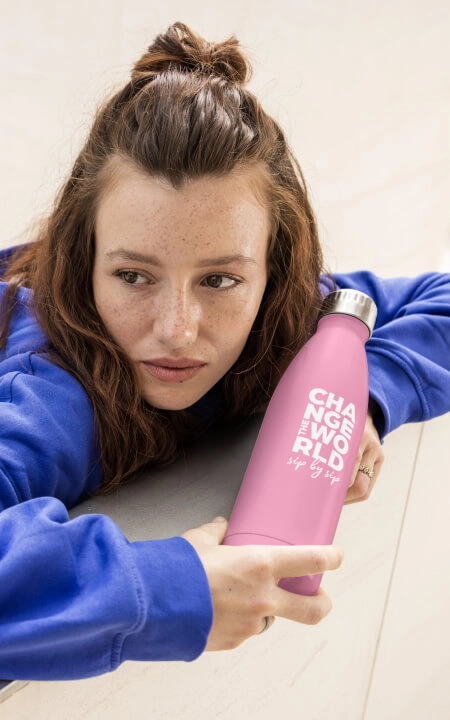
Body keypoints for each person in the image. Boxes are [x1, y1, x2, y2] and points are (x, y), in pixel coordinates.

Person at [0, 22, 449, 682]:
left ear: (274, 271)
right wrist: (170, 586)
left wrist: (357, 396)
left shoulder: (283, 318)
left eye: (219, 279)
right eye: (132, 276)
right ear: (82, 261)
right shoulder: (49, 393)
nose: (179, 330)